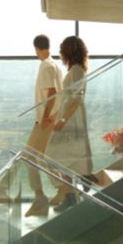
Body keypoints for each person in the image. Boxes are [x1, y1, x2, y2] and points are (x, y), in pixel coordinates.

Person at [45, 35, 93, 212]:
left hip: (72, 120)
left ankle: (73, 190)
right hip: (69, 117)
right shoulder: (76, 70)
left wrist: (63, 119)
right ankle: (71, 193)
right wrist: (57, 115)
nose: (60, 53)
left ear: (68, 52)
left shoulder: (76, 71)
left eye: (62, 50)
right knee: (63, 159)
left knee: (54, 157)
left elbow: (76, 100)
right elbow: (68, 99)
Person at [24, 34, 63, 217]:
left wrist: (46, 116)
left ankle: (44, 196)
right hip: (49, 119)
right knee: (40, 156)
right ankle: (57, 190)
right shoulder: (54, 65)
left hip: (44, 121)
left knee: (28, 156)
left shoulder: (46, 66)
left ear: (36, 48)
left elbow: (53, 93)